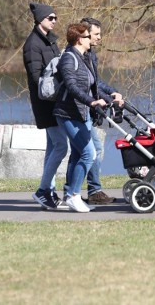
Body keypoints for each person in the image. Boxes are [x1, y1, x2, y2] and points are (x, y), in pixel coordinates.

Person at [54, 23, 123, 212]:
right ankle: (74, 195)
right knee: (89, 153)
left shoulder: (84, 58)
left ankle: (71, 195)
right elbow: (72, 86)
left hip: (81, 113)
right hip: (68, 113)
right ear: (79, 39)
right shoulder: (69, 58)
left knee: (80, 153)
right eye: (87, 37)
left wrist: (109, 98)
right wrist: (92, 102)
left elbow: (93, 85)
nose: (92, 39)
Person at [22, 2, 68, 210]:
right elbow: (37, 77)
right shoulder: (33, 44)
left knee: (52, 147)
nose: (54, 21)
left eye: (56, 17)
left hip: (54, 100)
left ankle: (49, 192)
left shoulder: (50, 41)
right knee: (60, 146)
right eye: (51, 18)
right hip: (45, 103)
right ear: (40, 19)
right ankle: (43, 191)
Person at [80, 17, 122, 205]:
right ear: (85, 34)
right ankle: (93, 191)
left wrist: (112, 92)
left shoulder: (91, 54)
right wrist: (105, 99)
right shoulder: (77, 55)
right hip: (81, 110)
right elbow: (87, 87)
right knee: (93, 150)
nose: (100, 38)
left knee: (86, 152)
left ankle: (74, 191)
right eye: (96, 34)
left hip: (90, 110)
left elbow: (96, 82)